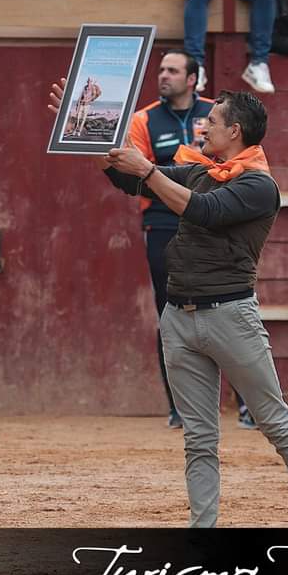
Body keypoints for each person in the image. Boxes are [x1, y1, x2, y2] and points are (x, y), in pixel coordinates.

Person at [85, 87, 288, 529]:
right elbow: (129, 178)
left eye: (213, 122)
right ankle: (202, 532)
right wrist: (89, 129)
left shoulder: (259, 185)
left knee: (276, 424)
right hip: (179, 316)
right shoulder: (205, 170)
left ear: (235, 131)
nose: (203, 127)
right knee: (199, 438)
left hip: (230, 317)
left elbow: (201, 210)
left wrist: (147, 170)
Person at [122, 50, 213, 429]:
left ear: (192, 79)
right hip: (162, 223)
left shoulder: (216, 113)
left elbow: (230, 165)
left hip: (212, 218)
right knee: (170, 312)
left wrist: (170, 174)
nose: (164, 76)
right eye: (161, 70)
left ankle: (243, 404)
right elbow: (139, 173)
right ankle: (178, 404)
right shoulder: (144, 118)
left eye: (172, 71)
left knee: (223, 309)